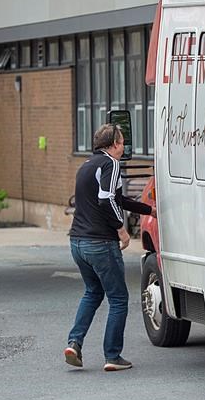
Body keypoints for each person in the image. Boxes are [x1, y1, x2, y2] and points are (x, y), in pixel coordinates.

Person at [64, 123, 152, 371]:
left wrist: (149, 210)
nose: (124, 147)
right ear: (114, 144)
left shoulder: (86, 165)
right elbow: (106, 199)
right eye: (122, 142)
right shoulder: (111, 164)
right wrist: (121, 229)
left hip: (77, 242)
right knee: (119, 298)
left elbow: (117, 198)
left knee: (93, 292)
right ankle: (112, 355)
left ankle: (74, 343)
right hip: (100, 242)